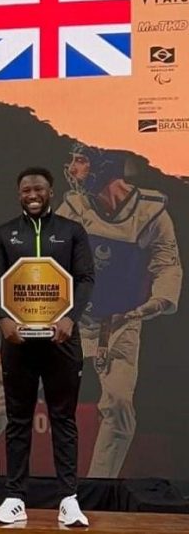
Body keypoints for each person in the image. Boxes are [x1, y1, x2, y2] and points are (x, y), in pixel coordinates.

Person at [58, 145, 182, 478]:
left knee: (119, 404)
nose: (72, 168)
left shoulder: (151, 212)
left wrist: (159, 301)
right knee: (11, 393)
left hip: (121, 322)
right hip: (73, 316)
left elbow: (167, 264)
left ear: (103, 165)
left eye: (81, 161)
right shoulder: (74, 206)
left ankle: (100, 486)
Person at [0, 167, 94, 527]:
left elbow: (85, 278)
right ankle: (15, 498)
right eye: (26, 190)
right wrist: (2, 320)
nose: (32, 195)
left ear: (51, 192)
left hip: (61, 340)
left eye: (38, 189)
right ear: (19, 194)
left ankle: (69, 500)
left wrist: (70, 318)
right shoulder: (4, 233)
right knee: (17, 420)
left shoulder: (72, 231)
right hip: (18, 341)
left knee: (63, 418)